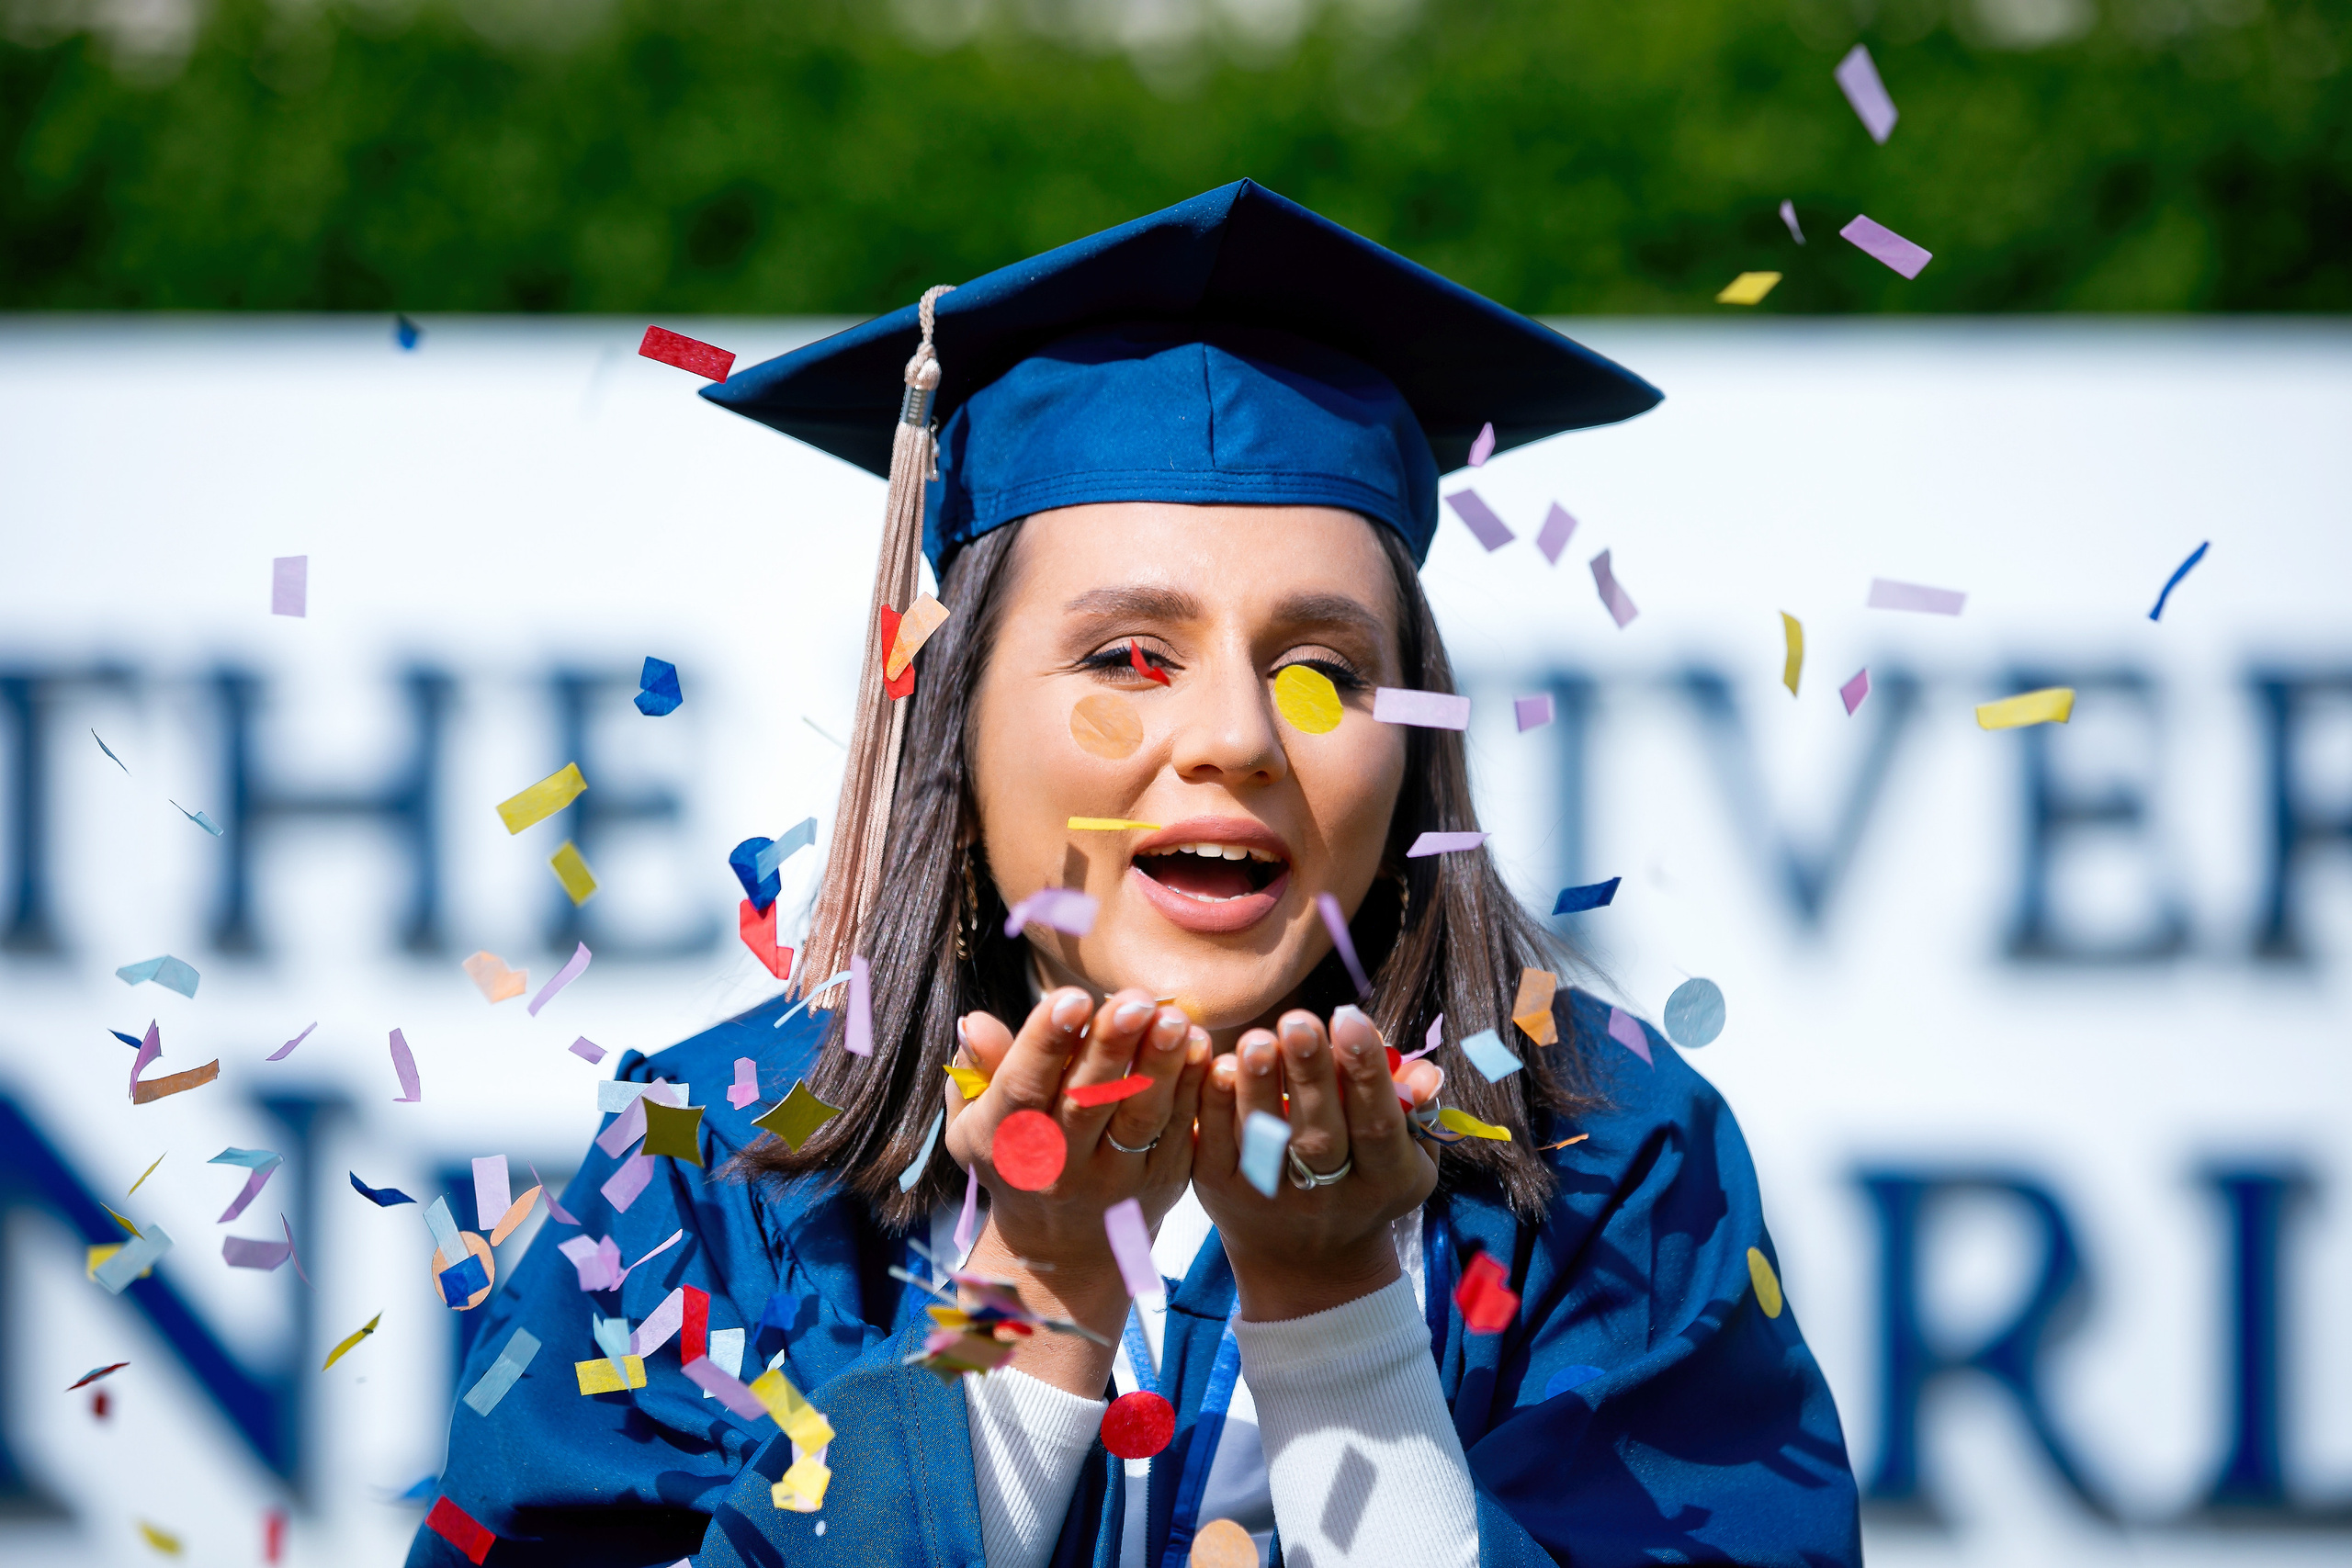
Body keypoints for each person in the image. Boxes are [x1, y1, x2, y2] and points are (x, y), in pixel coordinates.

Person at [410, 180, 1860, 1568]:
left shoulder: (1608, 1157)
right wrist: (1033, 1312)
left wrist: (1338, 1310)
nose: (1235, 735)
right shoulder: (713, 1164)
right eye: (1128, 658)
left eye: (1323, 673)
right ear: (953, 714)